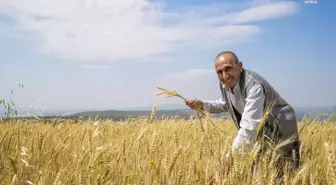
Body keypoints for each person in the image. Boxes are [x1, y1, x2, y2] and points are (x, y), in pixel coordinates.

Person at [185, 51, 300, 169]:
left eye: (228, 69)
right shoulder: (226, 84)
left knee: (284, 169)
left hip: (280, 127)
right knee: (261, 169)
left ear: (239, 66)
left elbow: (249, 127)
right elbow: (225, 103)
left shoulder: (254, 85)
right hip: (261, 130)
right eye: (219, 72)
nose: (225, 76)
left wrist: (229, 159)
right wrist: (203, 105)